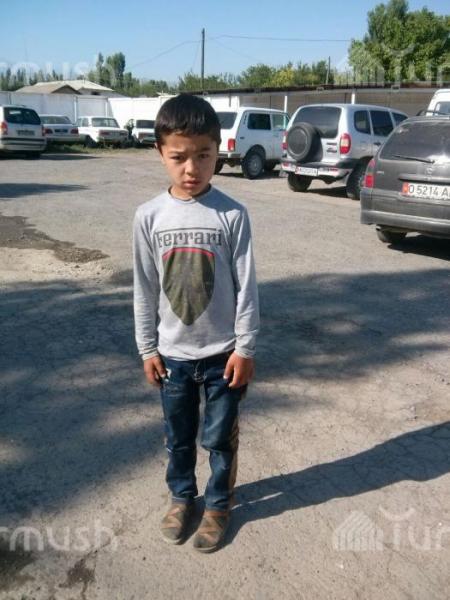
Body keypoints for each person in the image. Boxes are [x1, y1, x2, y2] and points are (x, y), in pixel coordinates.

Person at [133, 94, 259, 553]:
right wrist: (147, 348)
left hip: (223, 355)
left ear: (219, 150)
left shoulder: (232, 214)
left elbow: (247, 286)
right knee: (178, 437)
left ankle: (219, 505)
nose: (192, 168)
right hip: (173, 357)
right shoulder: (149, 216)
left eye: (203, 155)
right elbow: (145, 287)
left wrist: (245, 348)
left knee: (220, 439)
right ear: (160, 152)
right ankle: (182, 497)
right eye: (179, 157)